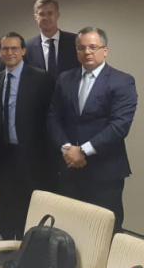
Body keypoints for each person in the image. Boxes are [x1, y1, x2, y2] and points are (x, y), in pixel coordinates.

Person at [48, 27, 137, 232]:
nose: (87, 52)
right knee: (70, 227)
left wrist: (84, 150)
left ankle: (105, 266)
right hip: (69, 167)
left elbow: (119, 125)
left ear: (105, 50)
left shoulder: (122, 81)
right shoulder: (65, 78)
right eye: (81, 48)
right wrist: (68, 149)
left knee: (104, 230)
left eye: (93, 47)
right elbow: (53, 116)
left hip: (104, 171)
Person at [0, 33, 55, 239]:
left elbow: (50, 117)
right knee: (6, 203)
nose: (9, 53)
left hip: (32, 154)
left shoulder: (41, 78)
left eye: (14, 49)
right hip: (3, 154)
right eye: (5, 49)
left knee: (31, 202)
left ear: (23, 51)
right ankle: (11, 243)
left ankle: (31, 246)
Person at [25, 0, 80, 76]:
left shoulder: (75, 42)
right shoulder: (27, 48)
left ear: (57, 15)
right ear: (35, 17)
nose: (46, 18)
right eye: (42, 14)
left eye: (50, 13)